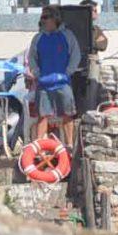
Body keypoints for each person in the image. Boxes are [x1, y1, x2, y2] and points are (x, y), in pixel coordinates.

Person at [24, 8, 84, 149]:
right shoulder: (38, 38)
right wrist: (38, 73)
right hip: (44, 84)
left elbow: (76, 55)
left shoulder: (67, 36)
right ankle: (39, 146)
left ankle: (69, 145)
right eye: (42, 18)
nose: (43, 20)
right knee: (42, 115)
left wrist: (67, 72)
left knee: (68, 114)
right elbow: (31, 57)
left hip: (63, 84)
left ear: (55, 18)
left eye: (46, 17)